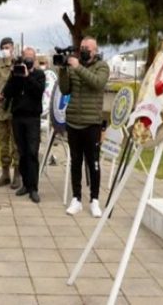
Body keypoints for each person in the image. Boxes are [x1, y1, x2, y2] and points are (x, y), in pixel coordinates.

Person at [59, 37, 110, 218]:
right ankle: (76, 199)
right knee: (75, 161)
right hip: (73, 121)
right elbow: (65, 89)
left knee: (93, 162)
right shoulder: (74, 66)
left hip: (91, 123)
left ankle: (94, 200)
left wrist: (77, 67)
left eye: (87, 48)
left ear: (95, 50)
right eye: (81, 48)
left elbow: (97, 83)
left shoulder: (102, 66)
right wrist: (63, 70)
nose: (84, 50)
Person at [3, 47, 46, 203]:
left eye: (30, 57)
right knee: (22, 152)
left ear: (34, 59)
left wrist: (27, 77)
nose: (27, 60)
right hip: (18, 117)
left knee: (32, 152)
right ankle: (26, 185)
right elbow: (7, 92)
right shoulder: (17, 74)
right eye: (25, 57)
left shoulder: (39, 74)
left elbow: (38, 91)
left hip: (32, 118)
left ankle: (34, 188)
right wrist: (14, 76)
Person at [0, 37, 20, 189]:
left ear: (13, 48)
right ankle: (5, 174)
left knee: (16, 143)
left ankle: (17, 174)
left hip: (15, 110)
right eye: (3, 47)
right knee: (3, 142)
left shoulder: (19, 65)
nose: (5, 49)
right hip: (2, 109)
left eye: (7, 46)